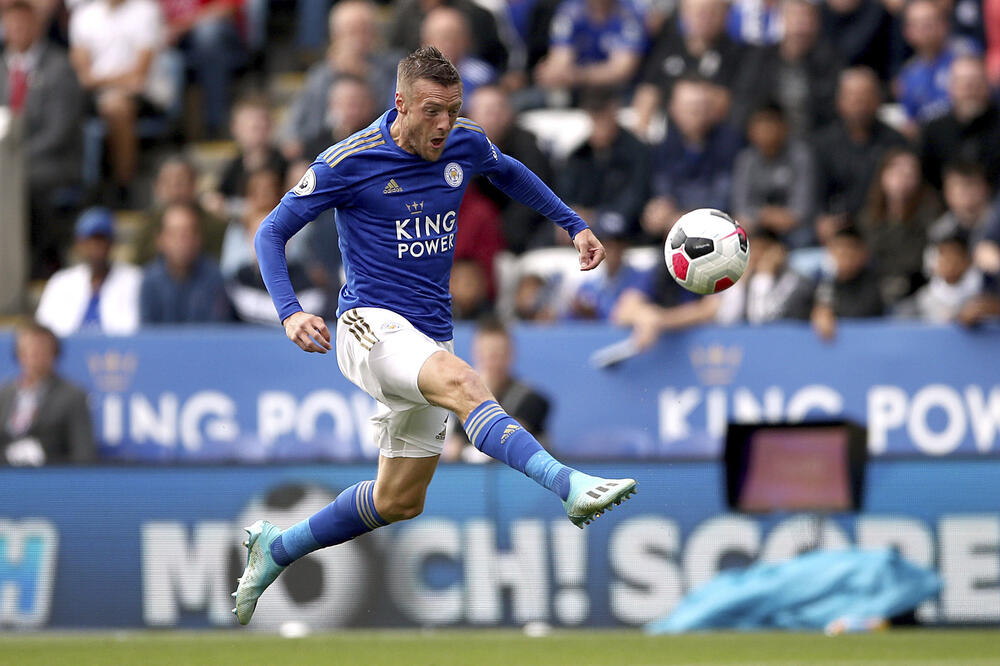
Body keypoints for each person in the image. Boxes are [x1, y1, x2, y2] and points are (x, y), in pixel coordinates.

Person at [234, 46, 636, 625]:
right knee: (466, 382)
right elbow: (270, 232)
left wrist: (573, 225)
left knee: (399, 499)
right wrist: (290, 311)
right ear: (400, 103)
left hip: (428, 336)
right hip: (368, 326)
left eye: (452, 109)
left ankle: (277, 547)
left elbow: (509, 172)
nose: (444, 124)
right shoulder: (349, 161)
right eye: (431, 111)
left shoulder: (464, 142)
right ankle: (569, 484)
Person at [1, 0, 85, 279]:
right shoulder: (1, 68)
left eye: (22, 24)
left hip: (52, 161)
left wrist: (16, 158)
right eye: (11, 25)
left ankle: (39, 260)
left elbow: (58, 132)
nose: (17, 30)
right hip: (8, 159)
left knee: (22, 182)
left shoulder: (59, 67)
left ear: (36, 26)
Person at [443, 316, 552, 462]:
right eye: (486, 354)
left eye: (498, 354)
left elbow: (506, 442)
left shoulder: (532, 401)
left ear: (511, 354)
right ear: (476, 354)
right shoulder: (465, 401)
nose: (492, 362)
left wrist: (485, 392)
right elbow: (453, 450)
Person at [1, 321, 96, 466]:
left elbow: (83, 453)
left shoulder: (72, 396)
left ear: (54, 354)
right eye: (28, 350)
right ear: (19, 354)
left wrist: (45, 455)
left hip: (50, 474)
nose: (34, 357)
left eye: (41, 350)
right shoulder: (4, 395)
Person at [35, 207, 142, 337]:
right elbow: (43, 331)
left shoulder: (135, 280)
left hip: (117, 349)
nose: (95, 247)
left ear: (112, 243)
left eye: (101, 240)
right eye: (89, 241)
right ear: (78, 244)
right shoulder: (60, 282)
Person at [731, 102, 816, 249]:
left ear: (784, 127)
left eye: (770, 123)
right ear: (750, 130)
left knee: (804, 237)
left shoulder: (801, 156)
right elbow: (740, 208)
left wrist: (766, 216)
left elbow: (802, 210)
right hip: (756, 229)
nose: (765, 130)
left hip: (793, 231)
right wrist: (764, 215)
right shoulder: (746, 160)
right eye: (760, 124)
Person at [139, 202, 232, 324]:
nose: (182, 241)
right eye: (174, 234)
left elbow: (218, 329)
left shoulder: (215, 277)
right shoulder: (150, 280)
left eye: (188, 233)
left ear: (199, 238)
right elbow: (148, 330)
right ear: (160, 240)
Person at [810, 225, 885, 340]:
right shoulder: (822, 280)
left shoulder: (874, 282)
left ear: (863, 253)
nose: (844, 257)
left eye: (849, 251)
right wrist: (818, 311)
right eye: (839, 251)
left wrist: (828, 313)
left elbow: (862, 313)